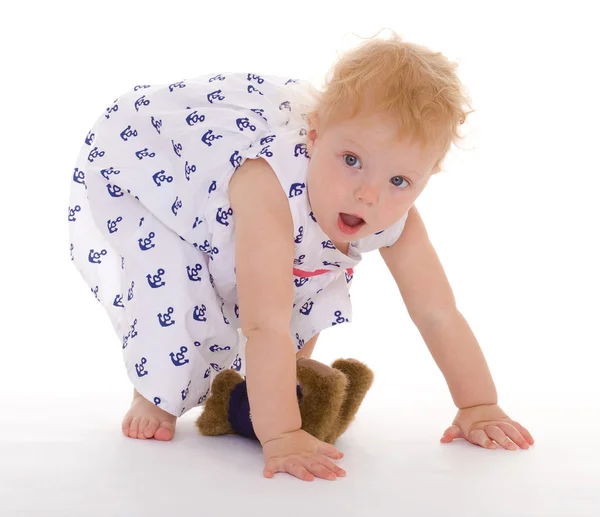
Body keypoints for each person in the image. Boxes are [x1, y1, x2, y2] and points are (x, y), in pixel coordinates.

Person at [67, 31, 534, 482]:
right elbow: (262, 323)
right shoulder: (268, 185)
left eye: (399, 181)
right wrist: (283, 435)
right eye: (351, 159)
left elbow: (438, 313)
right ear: (314, 136)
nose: (368, 195)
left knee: (297, 311)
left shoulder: (396, 218)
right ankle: (154, 394)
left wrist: (478, 404)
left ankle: (261, 395)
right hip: (167, 190)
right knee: (174, 290)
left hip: (283, 247)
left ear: (426, 177)